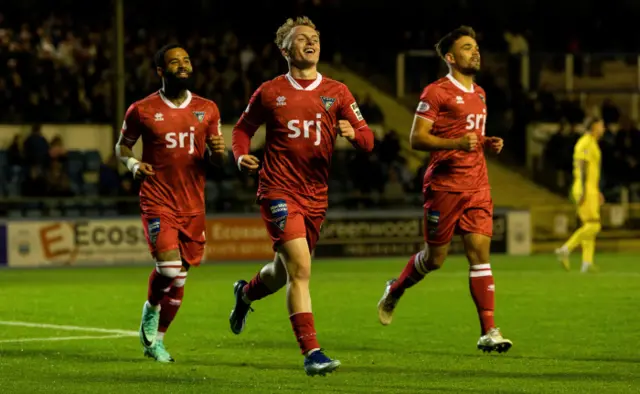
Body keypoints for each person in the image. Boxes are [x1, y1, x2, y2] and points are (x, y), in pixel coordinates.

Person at [229, 16, 375, 376]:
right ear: (285, 50)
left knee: (283, 272)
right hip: (278, 189)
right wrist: (240, 155)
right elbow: (242, 130)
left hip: (315, 196)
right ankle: (312, 352)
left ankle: (245, 294)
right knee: (302, 270)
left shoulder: (338, 92)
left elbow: (368, 138)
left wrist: (354, 135)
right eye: (302, 39)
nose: (311, 42)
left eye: (315, 37)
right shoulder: (269, 91)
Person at [376, 26, 513, 354]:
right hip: (444, 187)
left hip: (477, 185)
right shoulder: (435, 93)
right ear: (451, 58)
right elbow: (417, 138)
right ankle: (395, 288)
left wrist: (485, 142)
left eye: (476, 47)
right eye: (467, 48)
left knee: (480, 255)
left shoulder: (480, 94)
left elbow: (470, 136)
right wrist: (456, 142)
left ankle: (489, 330)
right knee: (435, 259)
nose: (475, 52)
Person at [114, 43, 226, 363]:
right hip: (157, 198)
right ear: (161, 71)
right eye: (174, 62)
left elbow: (215, 162)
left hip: (193, 203)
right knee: (168, 267)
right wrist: (134, 166)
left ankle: (157, 341)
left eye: (187, 60)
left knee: (180, 276)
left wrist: (219, 152)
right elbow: (123, 147)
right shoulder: (142, 110)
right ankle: (150, 308)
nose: (183, 65)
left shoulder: (208, 109)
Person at [555, 118, 605, 273]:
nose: (603, 128)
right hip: (585, 189)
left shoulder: (592, 142)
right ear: (595, 126)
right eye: (601, 125)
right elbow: (581, 166)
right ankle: (565, 249)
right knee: (594, 225)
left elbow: (592, 170)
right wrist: (583, 190)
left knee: (588, 226)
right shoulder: (585, 143)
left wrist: (597, 191)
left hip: (591, 189)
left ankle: (586, 263)